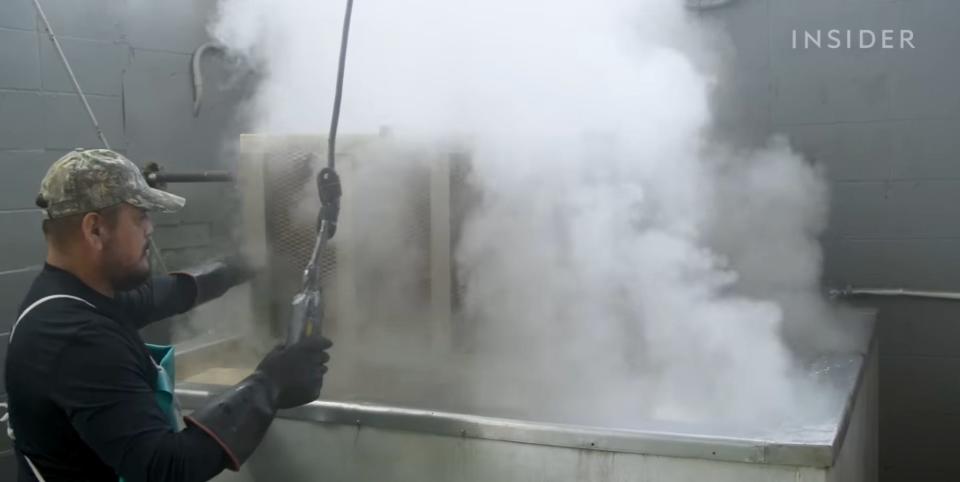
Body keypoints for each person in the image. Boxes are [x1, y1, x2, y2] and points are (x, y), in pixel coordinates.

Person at [3, 149, 332, 482]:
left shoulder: (69, 297)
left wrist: (246, 264)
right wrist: (269, 384)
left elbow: (165, 294)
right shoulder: (76, 339)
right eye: (139, 216)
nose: (150, 228)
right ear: (95, 230)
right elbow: (167, 468)